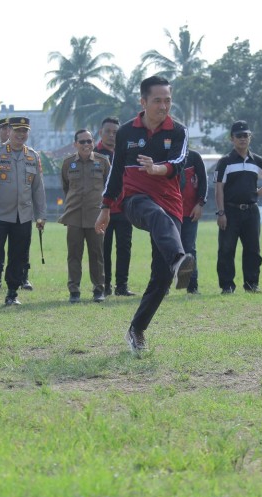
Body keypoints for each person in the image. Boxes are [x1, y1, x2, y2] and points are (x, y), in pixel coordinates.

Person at [95, 75, 194, 356]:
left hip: (171, 202)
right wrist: (104, 208)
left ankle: (136, 330)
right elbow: (115, 173)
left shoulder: (178, 131)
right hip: (135, 200)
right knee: (154, 214)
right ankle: (179, 260)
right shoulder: (126, 132)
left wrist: (157, 168)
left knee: (161, 278)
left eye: (168, 100)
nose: (163, 106)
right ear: (143, 102)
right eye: (157, 101)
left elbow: (178, 162)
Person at [0, 116, 46, 308]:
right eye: (17, 130)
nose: (21, 134)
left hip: (23, 215)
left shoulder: (33, 156)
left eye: (24, 131)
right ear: (9, 131)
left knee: (19, 256)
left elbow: (38, 188)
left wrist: (40, 214)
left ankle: (12, 293)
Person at [215, 121, 262, 294]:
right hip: (230, 210)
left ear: (250, 137)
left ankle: (252, 284)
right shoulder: (225, 162)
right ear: (232, 138)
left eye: (246, 135)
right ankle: (227, 286)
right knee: (227, 249)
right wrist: (221, 212)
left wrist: (258, 193)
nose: (243, 139)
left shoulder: (256, 160)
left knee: (252, 249)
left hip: (251, 211)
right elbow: (219, 187)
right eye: (239, 136)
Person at [59, 129, 110, 303]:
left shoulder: (103, 162)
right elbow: (66, 187)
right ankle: (74, 291)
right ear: (75, 144)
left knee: (96, 255)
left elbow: (108, 187)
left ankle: (98, 290)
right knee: (74, 255)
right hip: (73, 216)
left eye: (89, 141)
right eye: (82, 142)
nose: (86, 144)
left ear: (93, 143)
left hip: (96, 217)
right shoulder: (67, 164)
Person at [96, 117, 135, 297]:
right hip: (103, 210)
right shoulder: (94, 154)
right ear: (100, 133)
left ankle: (122, 285)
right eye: (108, 131)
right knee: (104, 249)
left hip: (124, 209)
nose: (111, 136)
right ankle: (105, 285)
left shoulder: (126, 152)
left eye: (115, 132)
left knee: (124, 248)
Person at [177, 148, 208, 294]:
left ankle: (191, 286)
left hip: (189, 212)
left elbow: (203, 181)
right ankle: (161, 287)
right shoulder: (163, 155)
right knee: (162, 248)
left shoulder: (194, 157)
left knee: (189, 249)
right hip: (168, 212)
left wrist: (200, 204)